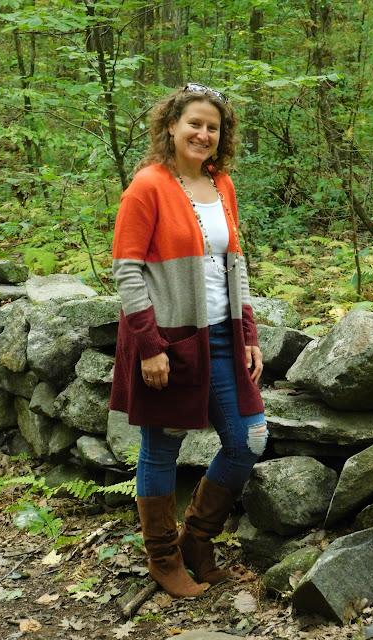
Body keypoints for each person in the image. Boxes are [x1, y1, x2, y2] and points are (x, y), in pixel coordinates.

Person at [110, 83, 267, 599]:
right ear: (171, 127)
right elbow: (127, 271)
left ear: (223, 136)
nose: (203, 134)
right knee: (162, 448)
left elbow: (236, 264)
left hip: (223, 337)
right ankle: (163, 559)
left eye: (212, 127)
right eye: (194, 124)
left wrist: (247, 334)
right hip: (170, 340)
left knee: (249, 440)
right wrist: (150, 346)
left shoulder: (222, 185)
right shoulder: (147, 186)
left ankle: (196, 541)